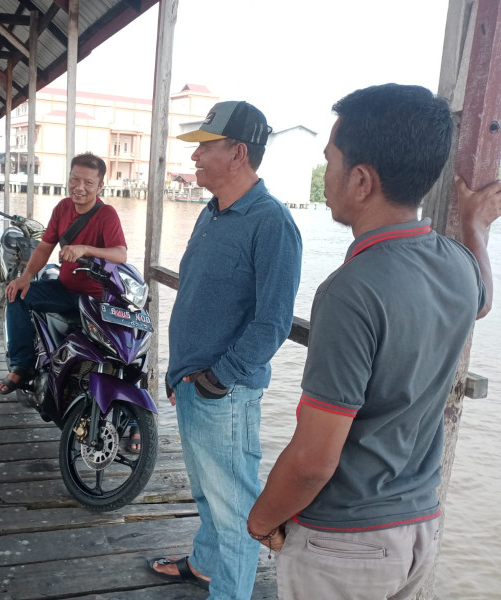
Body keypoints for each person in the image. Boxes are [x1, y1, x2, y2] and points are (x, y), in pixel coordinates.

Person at [246, 84, 499, 600]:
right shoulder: (455, 265)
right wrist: (476, 226)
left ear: (361, 180)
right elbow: (482, 298)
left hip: (345, 545)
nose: (326, 175)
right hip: (418, 530)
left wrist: (259, 519)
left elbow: (315, 459)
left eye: (330, 160)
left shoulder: (350, 291)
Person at [149, 101, 302, 599]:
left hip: (225, 395)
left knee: (235, 510)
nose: (194, 158)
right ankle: (205, 563)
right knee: (207, 495)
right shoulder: (212, 213)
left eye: (205, 148)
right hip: (194, 383)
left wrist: (219, 378)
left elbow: (273, 321)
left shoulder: (272, 222)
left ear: (238, 153)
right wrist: (181, 375)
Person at [0, 152, 127, 393]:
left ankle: (128, 412)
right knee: (16, 296)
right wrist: (25, 277)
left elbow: (121, 254)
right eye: (74, 180)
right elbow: (44, 249)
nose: (79, 188)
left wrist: (86, 250)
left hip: (95, 297)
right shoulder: (62, 208)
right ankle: (21, 367)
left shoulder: (107, 214)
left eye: (88, 183)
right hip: (64, 289)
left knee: (121, 348)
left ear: (100, 186)